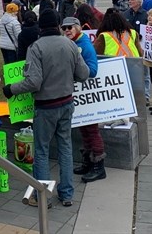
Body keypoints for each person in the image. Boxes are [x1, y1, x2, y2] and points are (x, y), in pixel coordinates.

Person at [2, 9, 90, 208]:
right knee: (65, 148)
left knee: (41, 151)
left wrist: (11, 89)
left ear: (41, 27)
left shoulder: (36, 47)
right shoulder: (70, 45)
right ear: (58, 25)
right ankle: (67, 194)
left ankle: (42, 196)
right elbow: (83, 74)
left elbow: (34, 82)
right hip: (67, 104)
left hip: (46, 107)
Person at [63, 17, 105, 183]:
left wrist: (74, 70)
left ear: (78, 28)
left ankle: (98, 166)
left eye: (70, 27)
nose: (66, 30)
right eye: (64, 28)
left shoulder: (84, 45)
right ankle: (88, 161)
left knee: (92, 130)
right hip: (78, 96)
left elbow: (93, 70)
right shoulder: (72, 43)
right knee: (84, 129)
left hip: (88, 96)